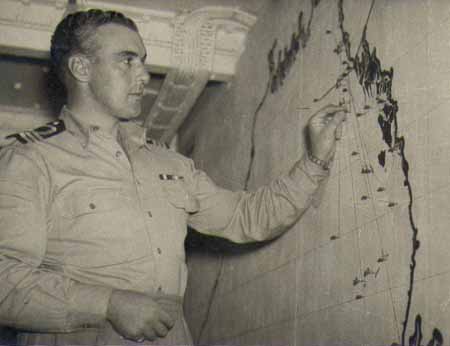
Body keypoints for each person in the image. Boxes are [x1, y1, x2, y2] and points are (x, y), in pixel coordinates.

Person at [0, 9, 346, 346]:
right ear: (81, 67)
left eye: (143, 61)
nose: (143, 75)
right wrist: (107, 303)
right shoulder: (31, 159)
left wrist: (315, 159)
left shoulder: (169, 162)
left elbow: (247, 217)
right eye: (127, 60)